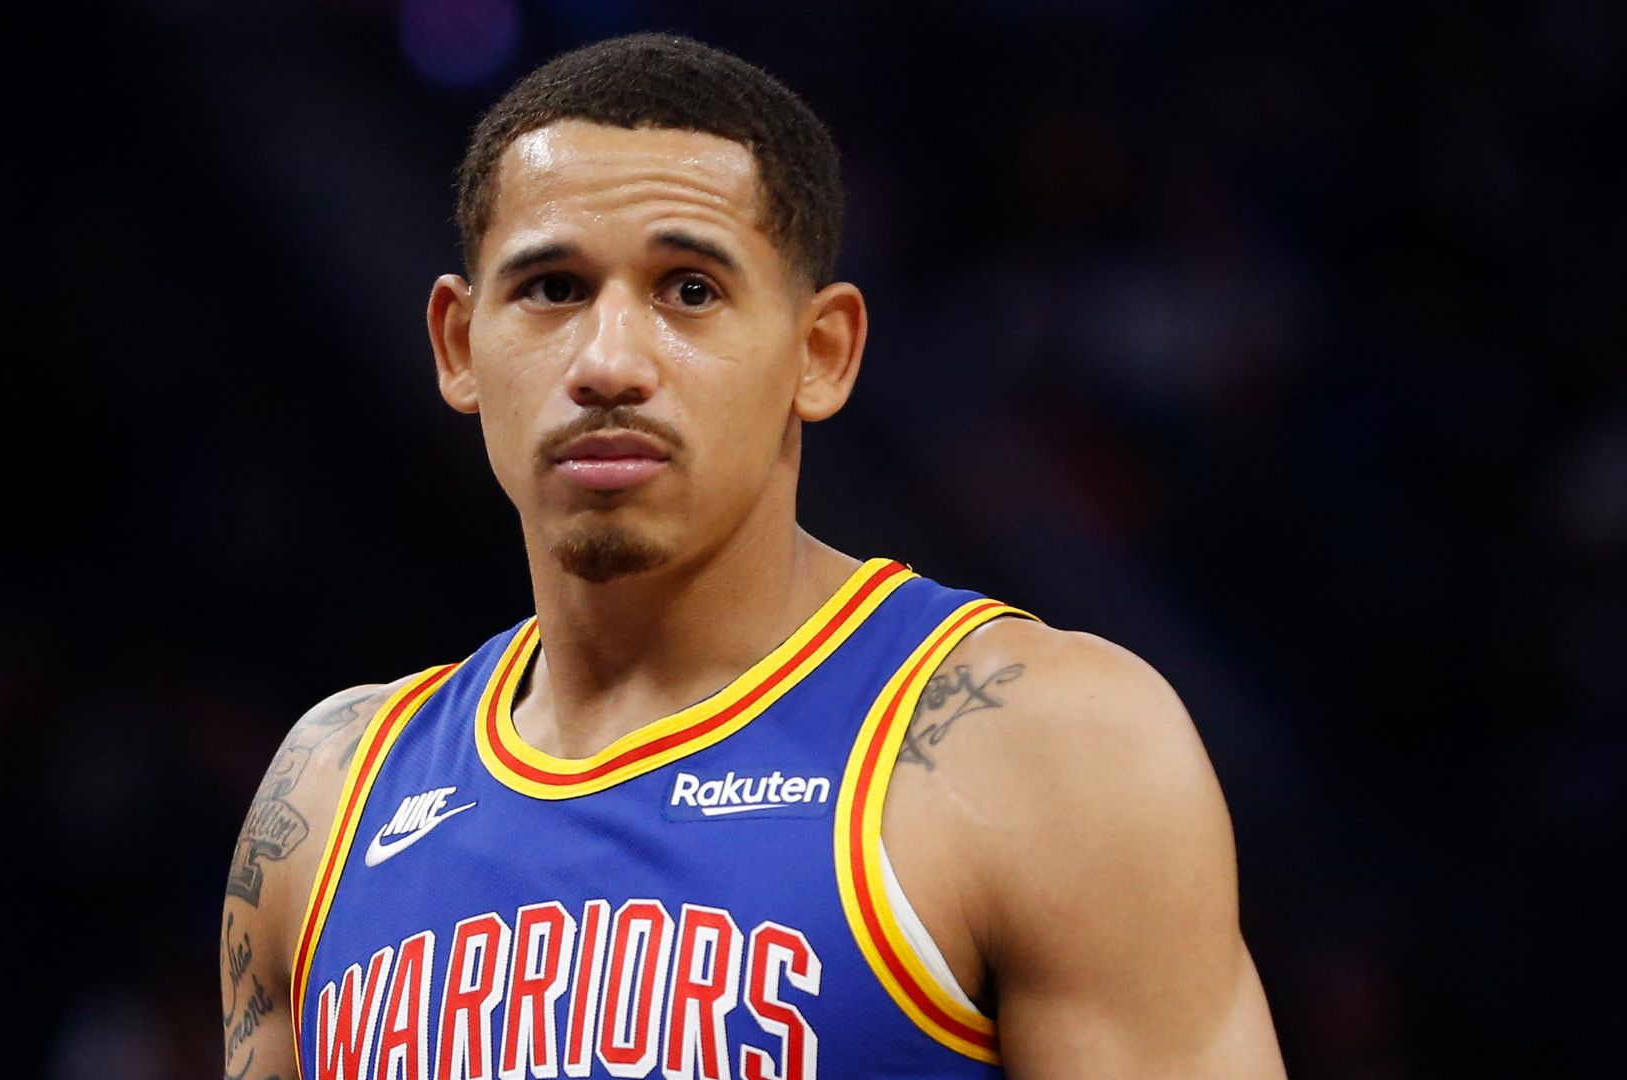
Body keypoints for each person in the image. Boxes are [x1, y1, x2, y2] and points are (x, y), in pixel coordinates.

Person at [221, 32, 1287, 1080]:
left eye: (689, 289)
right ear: (459, 345)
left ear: (821, 354)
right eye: (552, 288)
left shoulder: (1045, 743)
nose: (608, 362)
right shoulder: (326, 799)